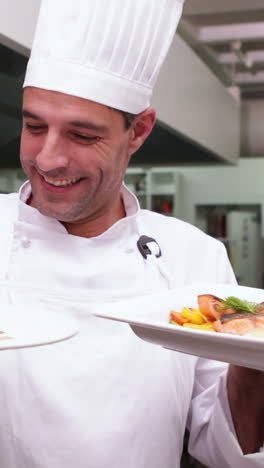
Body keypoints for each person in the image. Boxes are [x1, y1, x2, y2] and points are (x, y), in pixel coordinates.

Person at [0, 1, 263, 467]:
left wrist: (255, 359)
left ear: (138, 131)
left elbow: (223, 450)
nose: (48, 159)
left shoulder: (194, 258)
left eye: (82, 135)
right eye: (34, 126)